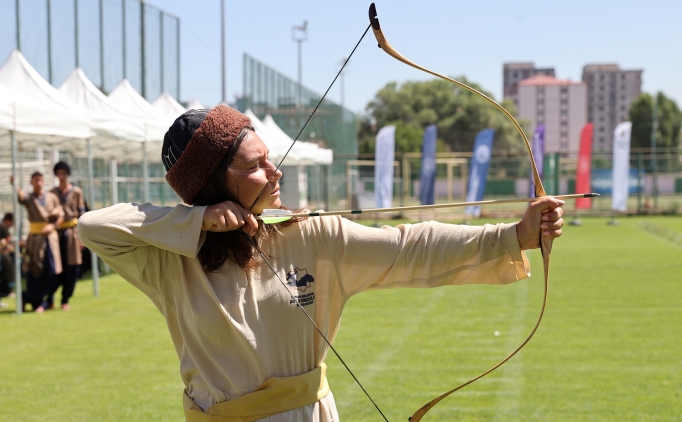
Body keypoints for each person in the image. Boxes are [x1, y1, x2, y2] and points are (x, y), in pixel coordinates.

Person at [78, 106, 565, 421]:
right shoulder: (168, 259)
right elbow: (92, 226)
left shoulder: (310, 233)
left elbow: (411, 246)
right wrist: (199, 221)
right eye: (253, 166)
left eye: (269, 158)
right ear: (210, 186)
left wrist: (515, 235)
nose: (274, 172)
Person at [12, 172, 63, 313]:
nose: (39, 183)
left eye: (41, 180)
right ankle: (37, 302)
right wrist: (15, 185)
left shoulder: (52, 197)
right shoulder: (30, 197)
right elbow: (21, 197)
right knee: (35, 270)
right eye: (36, 180)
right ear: (31, 182)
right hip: (34, 239)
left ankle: (27, 297)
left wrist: (52, 226)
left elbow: (60, 214)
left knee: (53, 270)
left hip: (51, 238)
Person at [45, 161, 86, 310]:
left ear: (67, 174)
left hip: (73, 234)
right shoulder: (51, 193)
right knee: (55, 268)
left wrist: (82, 238)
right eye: (58, 173)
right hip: (56, 234)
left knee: (72, 268)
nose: (61, 176)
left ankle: (65, 300)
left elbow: (82, 214)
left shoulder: (77, 192)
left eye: (63, 173)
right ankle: (49, 299)